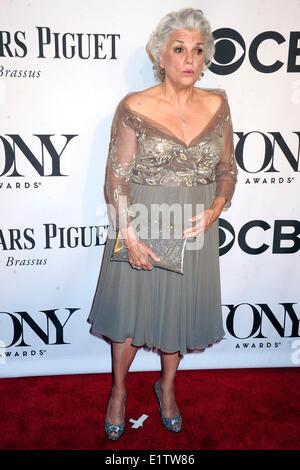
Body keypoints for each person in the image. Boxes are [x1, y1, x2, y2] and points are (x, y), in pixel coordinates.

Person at [88, 7, 238, 440]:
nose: (190, 59)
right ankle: (118, 391)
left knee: (177, 316)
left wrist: (215, 209)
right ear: (161, 56)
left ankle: (166, 388)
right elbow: (115, 180)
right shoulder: (135, 106)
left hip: (194, 225)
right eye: (179, 49)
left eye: (198, 50)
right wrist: (129, 237)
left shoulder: (219, 105)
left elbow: (227, 171)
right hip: (142, 220)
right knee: (130, 318)